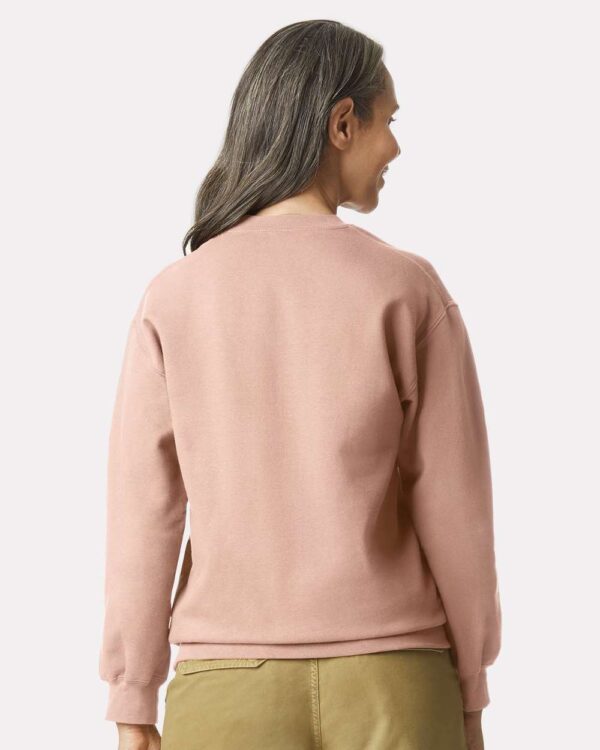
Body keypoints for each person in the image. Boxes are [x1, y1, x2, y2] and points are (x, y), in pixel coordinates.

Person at [99, 19, 501, 750]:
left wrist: (133, 698)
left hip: (225, 686)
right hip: (397, 679)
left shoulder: (175, 296)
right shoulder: (406, 289)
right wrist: (471, 688)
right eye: (389, 121)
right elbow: (456, 506)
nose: (395, 147)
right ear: (342, 123)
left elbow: (144, 511)